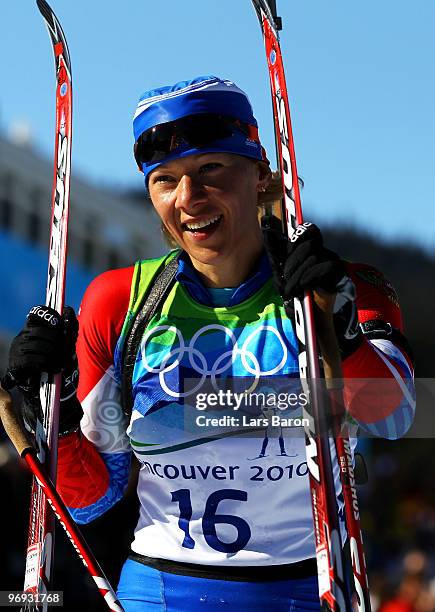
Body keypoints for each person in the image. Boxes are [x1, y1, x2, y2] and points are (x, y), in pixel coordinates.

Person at [5, 75, 415, 611]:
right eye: (165, 180)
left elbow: (396, 416)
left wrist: (341, 330)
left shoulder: (340, 285)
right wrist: (53, 407)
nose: (189, 199)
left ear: (260, 173)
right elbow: (93, 498)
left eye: (211, 171)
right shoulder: (118, 301)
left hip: (307, 589)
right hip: (161, 590)